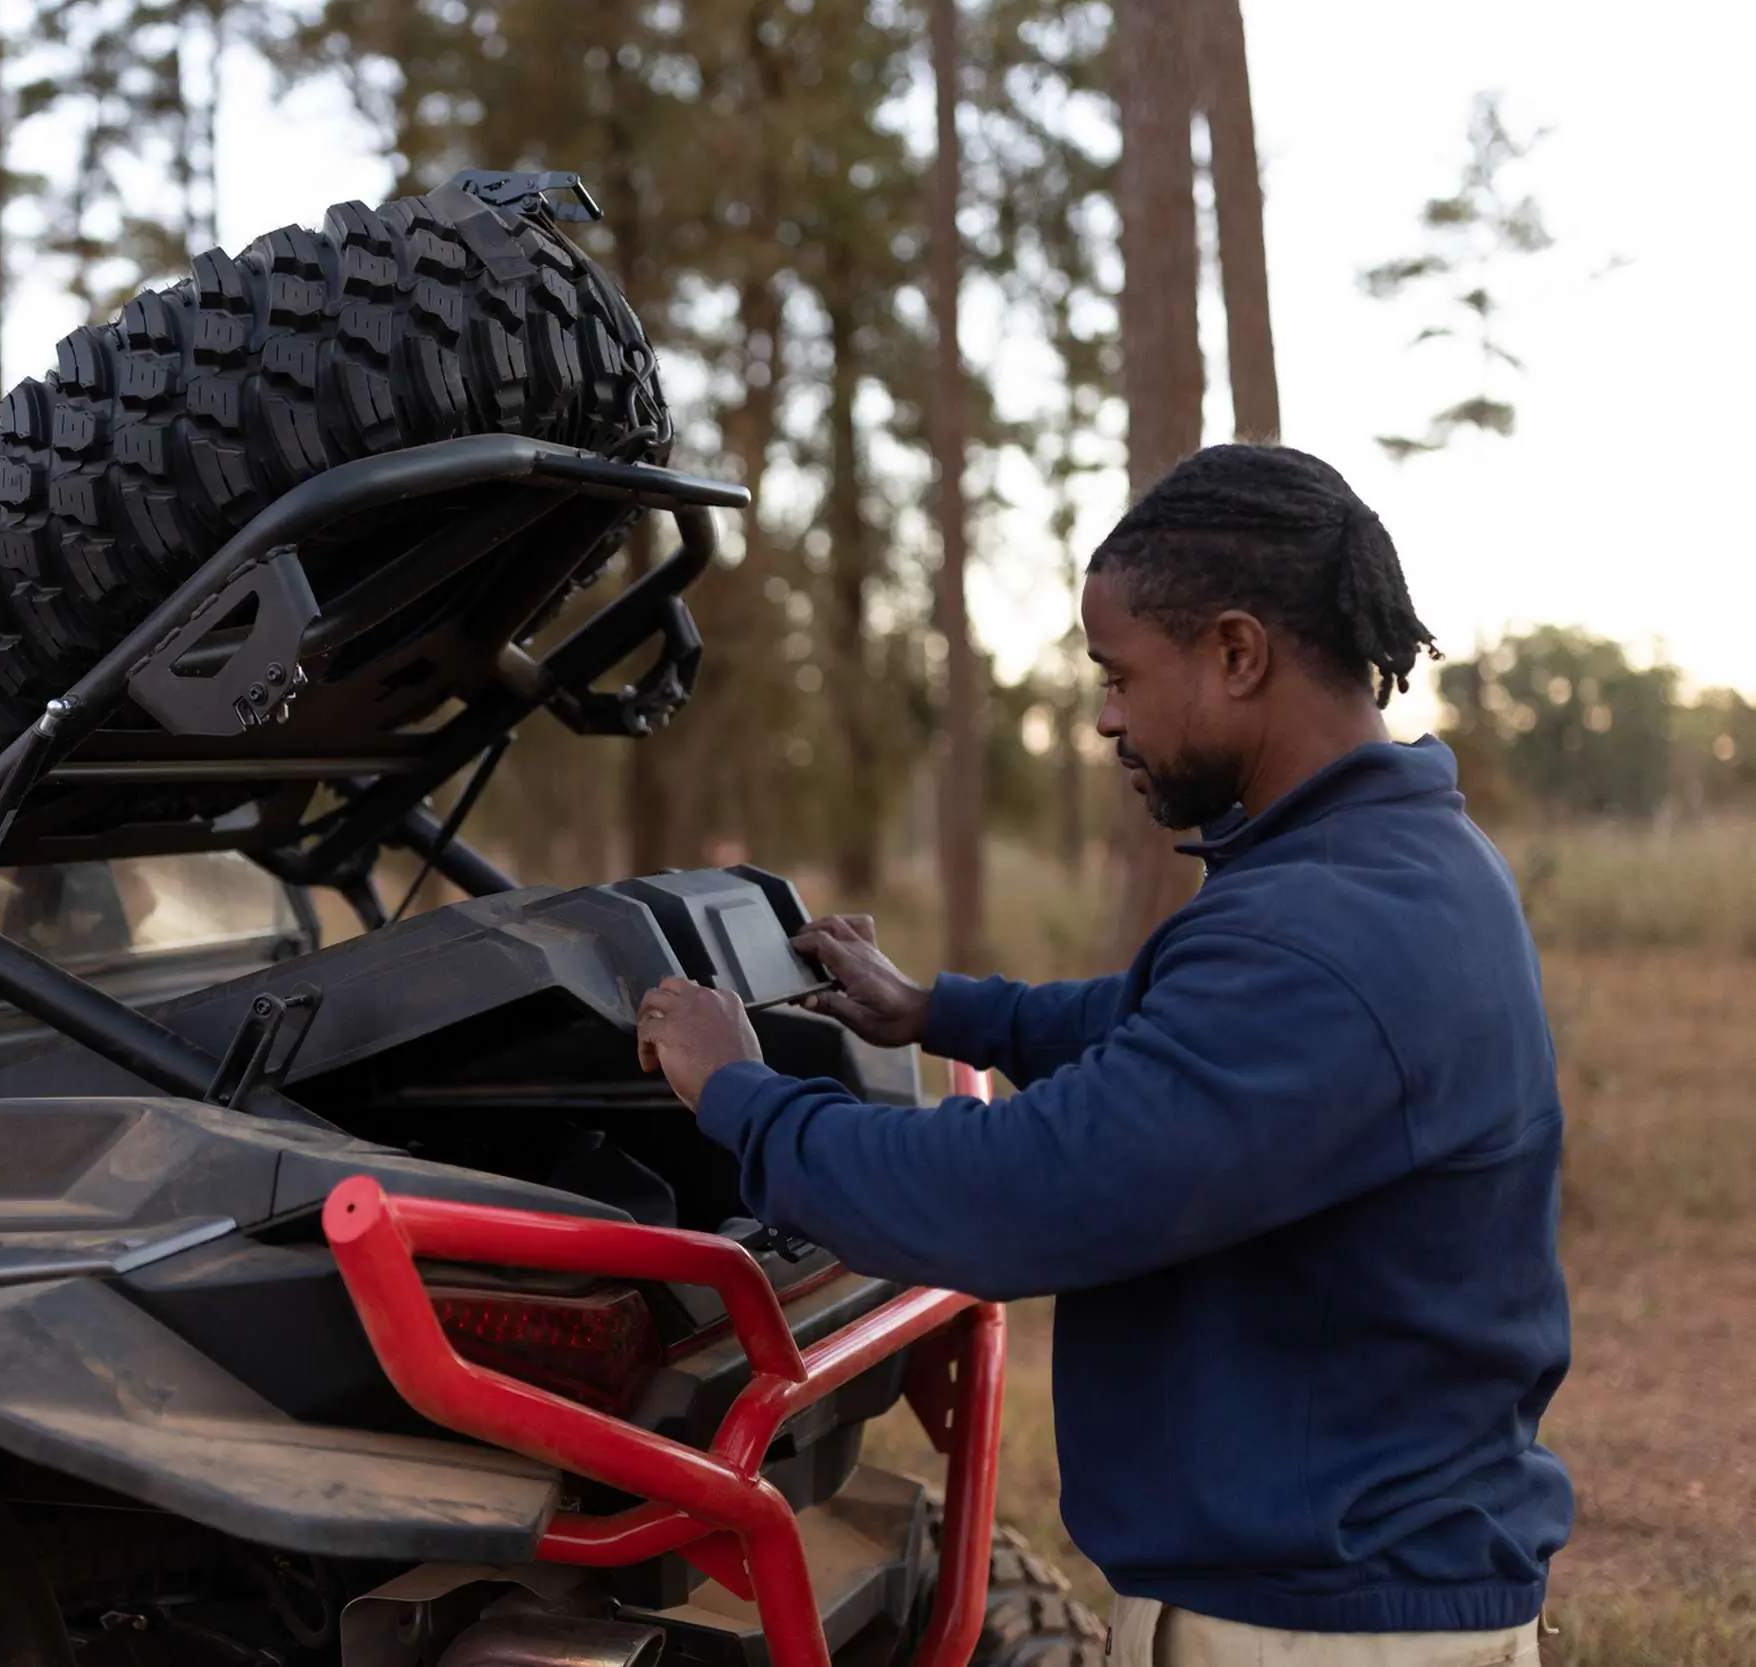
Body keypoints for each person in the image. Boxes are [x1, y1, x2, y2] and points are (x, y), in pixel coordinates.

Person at [634, 445, 1571, 1667]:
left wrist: (739, 1092)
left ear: (1237, 654)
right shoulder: (1387, 869)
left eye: (1121, 674)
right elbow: (1174, 1044)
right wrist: (942, 1011)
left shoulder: (1322, 936)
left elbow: (1015, 1193)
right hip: (1355, 1586)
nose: (1106, 715)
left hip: (1313, 1629)